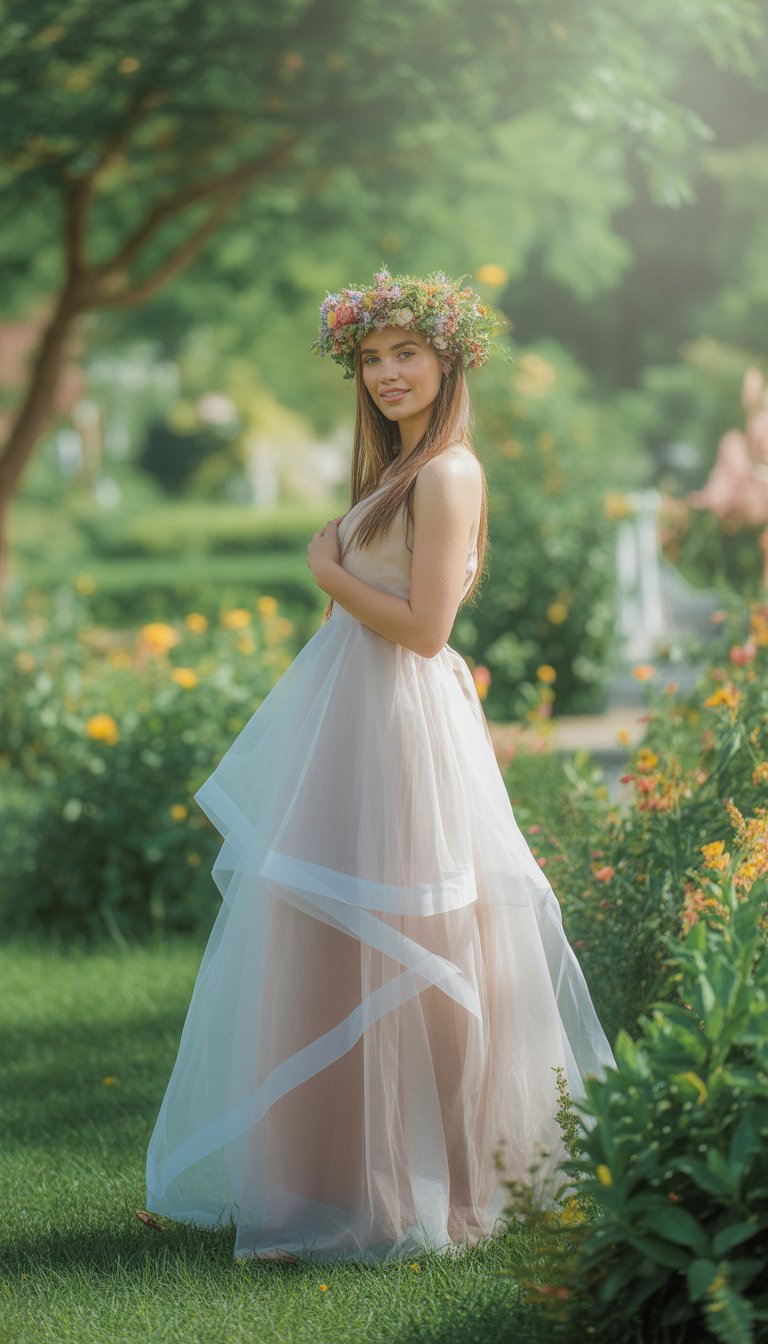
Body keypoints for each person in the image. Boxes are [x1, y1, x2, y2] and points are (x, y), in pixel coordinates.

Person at [143, 266, 615, 1265]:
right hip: (356, 732)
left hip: (406, 731)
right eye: (371, 359)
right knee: (343, 953)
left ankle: (469, 1193)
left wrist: (324, 570)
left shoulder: (449, 472)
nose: (388, 372)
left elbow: (426, 627)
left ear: (449, 359)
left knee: (432, 956)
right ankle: (361, 1184)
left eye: (406, 353)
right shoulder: (395, 474)